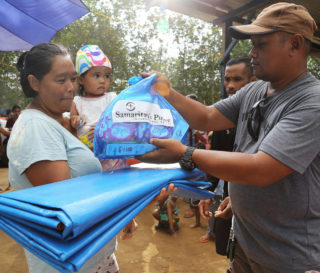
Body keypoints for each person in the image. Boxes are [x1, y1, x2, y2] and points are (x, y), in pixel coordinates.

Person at [138, 3, 320, 273]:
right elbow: (207, 118)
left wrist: (185, 153)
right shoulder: (256, 90)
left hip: (288, 256)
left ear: (294, 44)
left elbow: (263, 169)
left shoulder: (311, 101)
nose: (252, 53)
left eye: (261, 44)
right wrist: (167, 91)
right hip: (246, 244)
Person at [7, 43, 120, 273]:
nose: (71, 88)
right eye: (61, 80)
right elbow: (68, 206)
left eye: (72, 79)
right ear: (34, 83)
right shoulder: (35, 127)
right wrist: (127, 199)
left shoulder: (64, 120)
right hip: (69, 263)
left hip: (94, 253)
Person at [199, 57, 256, 249]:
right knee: (228, 249)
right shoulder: (221, 116)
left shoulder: (265, 115)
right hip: (226, 195)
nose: (230, 86)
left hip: (254, 202)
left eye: (237, 79)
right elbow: (215, 156)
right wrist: (207, 191)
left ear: (253, 82)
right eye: (227, 79)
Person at [70, 45, 127, 171]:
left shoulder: (111, 98)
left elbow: (121, 120)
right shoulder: (77, 102)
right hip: (88, 155)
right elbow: (72, 120)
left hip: (111, 155)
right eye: (96, 75)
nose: (103, 81)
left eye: (106, 76)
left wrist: (104, 127)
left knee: (116, 180)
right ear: (81, 79)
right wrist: (75, 119)